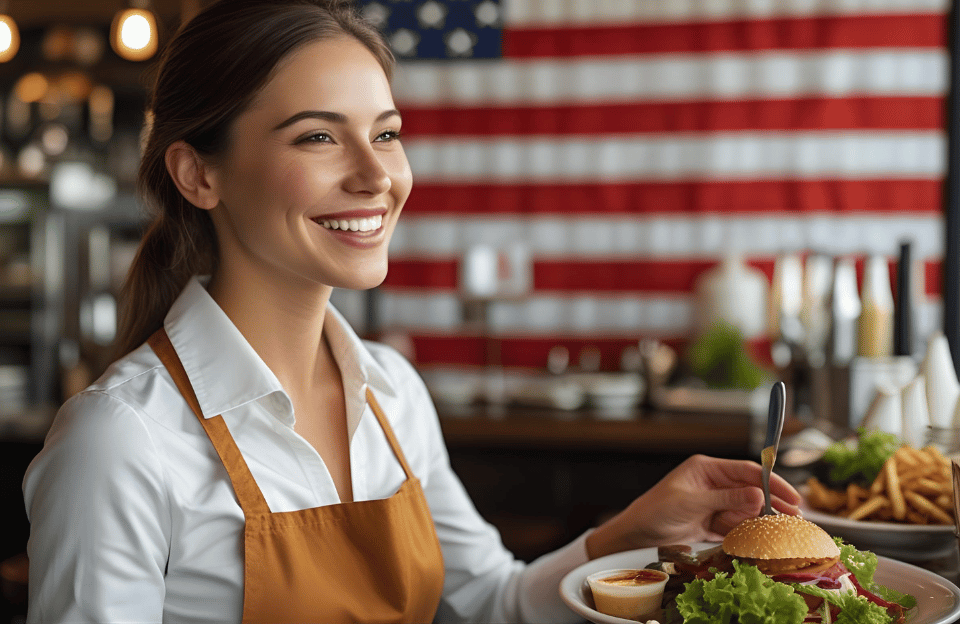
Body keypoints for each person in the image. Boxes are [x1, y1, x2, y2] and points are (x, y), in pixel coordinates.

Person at [22, 1, 802, 622]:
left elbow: (492, 603)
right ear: (198, 173)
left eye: (386, 134)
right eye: (319, 137)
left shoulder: (391, 390)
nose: (376, 177)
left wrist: (633, 531)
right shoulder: (119, 440)